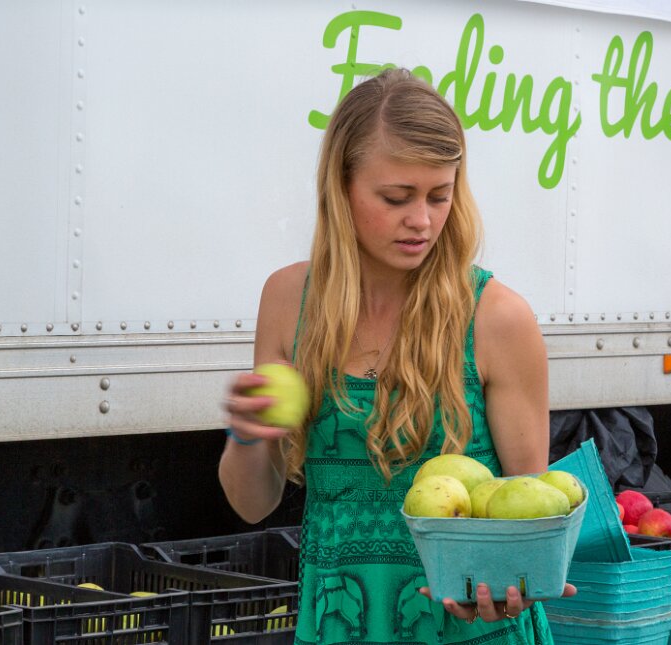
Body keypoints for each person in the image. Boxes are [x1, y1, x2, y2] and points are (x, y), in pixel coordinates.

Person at [218, 67, 573, 644]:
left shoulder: (496, 317)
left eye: (440, 195)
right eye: (396, 197)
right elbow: (253, 503)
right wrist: (248, 433)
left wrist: (506, 589)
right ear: (342, 187)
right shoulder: (288, 302)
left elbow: (528, 519)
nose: (423, 220)